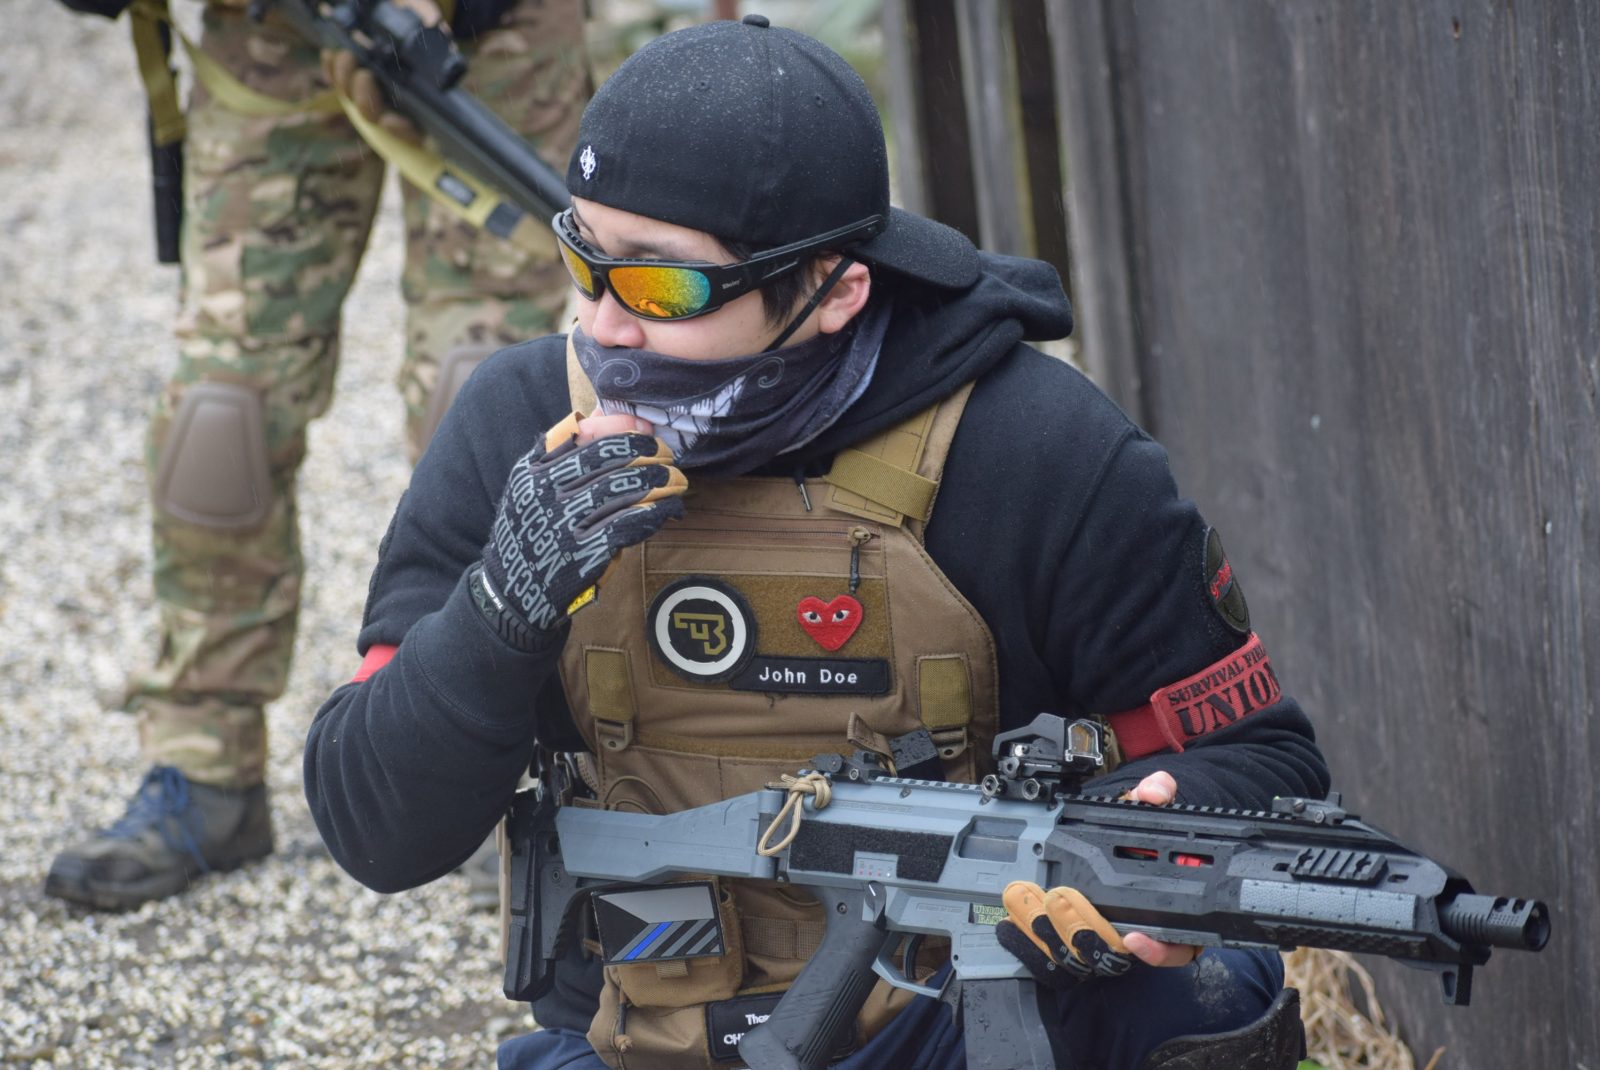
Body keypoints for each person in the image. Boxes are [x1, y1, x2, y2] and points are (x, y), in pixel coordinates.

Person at [302, 15, 1329, 1069]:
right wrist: (498, 611)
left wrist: (1146, 835)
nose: (605, 325)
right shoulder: (518, 424)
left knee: (1206, 999)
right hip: (635, 1040)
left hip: (959, 1023)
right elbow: (374, 830)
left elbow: (1267, 760)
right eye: (585, 257)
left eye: (661, 283)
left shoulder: (1034, 447)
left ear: (835, 289)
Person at [44, 0, 590, 910]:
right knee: (221, 417)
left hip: (490, 37)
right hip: (272, 35)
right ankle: (204, 766)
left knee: (481, 397)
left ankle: (492, 771)